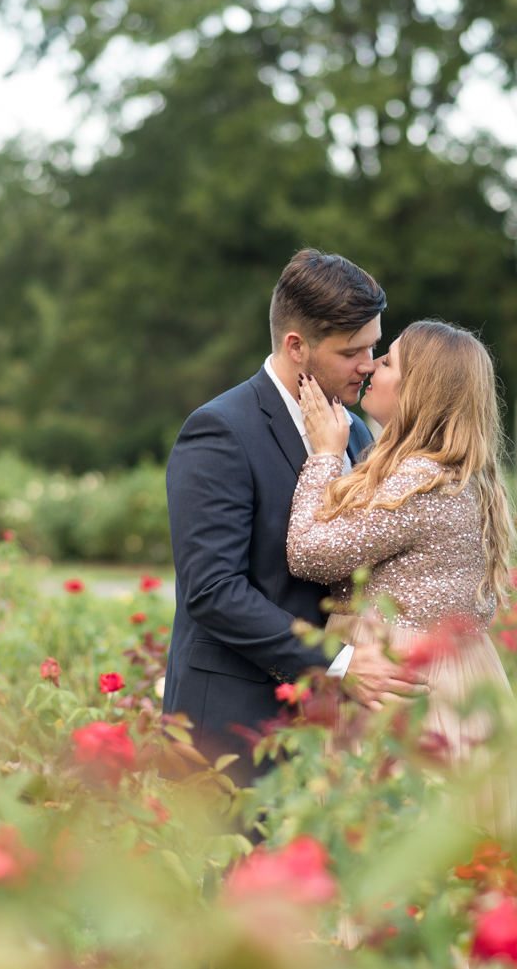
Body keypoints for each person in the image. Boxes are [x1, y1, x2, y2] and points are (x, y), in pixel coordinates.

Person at [163, 249, 428, 786]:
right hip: (235, 722)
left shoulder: (355, 432)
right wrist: (338, 664)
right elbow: (213, 589)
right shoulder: (219, 430)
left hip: (331, 734)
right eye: (353, 350)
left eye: (375, 346)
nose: (370, 364)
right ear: (296, 346)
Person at [287, 320, 517, 780]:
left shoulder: (419, 481)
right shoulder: (453, 473)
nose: (372, 366)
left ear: (420, 389)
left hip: (399, 692)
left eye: (389, 360)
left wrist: (324, 457)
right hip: (447, 680)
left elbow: (308, 554)